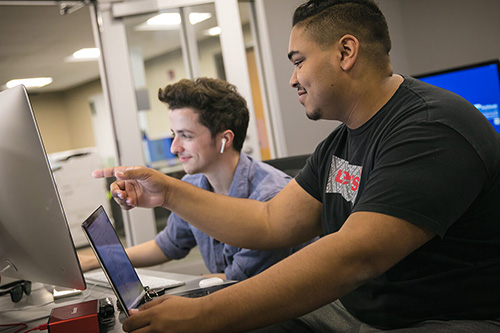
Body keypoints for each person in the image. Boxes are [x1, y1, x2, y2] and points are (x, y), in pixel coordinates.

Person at [93, 0, 500, 331]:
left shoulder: (431, 128)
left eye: (299, 60)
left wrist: (205, 312)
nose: (292, 78)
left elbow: (356, 256)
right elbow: (270, 221)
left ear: (346, 52)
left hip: (444, 320)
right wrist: (169, 191)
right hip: (358, 314)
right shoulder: (341, 141)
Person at [81, 77, 307, 282]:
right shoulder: (193, 186)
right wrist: (95, 260)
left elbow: (237, 282)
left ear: (224, 139)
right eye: (174, 134)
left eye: (185, 136)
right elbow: (167, 245)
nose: (174, 147)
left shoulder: (270, 196)